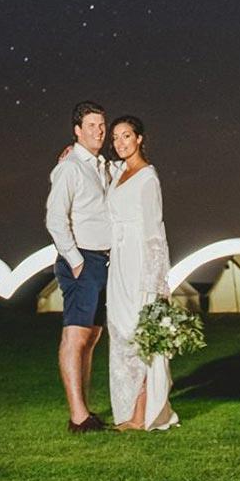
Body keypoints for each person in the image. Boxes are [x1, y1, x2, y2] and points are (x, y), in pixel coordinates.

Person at [103, 115, 178, 431]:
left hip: (139, 261)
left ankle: (142, 414)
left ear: (140, 139)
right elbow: (96, 166)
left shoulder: (148, 178)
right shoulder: (118, 172)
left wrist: (157, 280)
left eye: (126, 136)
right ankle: (126, 409)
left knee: (140, 333)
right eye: (116, 137)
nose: (120, 143)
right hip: (118, 261)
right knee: (121, 334)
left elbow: (154, 231)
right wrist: (71, 150)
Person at [44, 101, 113, 434]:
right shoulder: (70, 167)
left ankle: (83, 411)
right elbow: (56, 219)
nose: (98, 132)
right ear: (76, 130)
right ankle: (77, 417)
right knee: (75, 336)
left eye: (101, 126)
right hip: (83, 259)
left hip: (105, 260)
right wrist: (75, 260)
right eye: (90, 126)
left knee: (92, 337)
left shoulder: (102, 166)